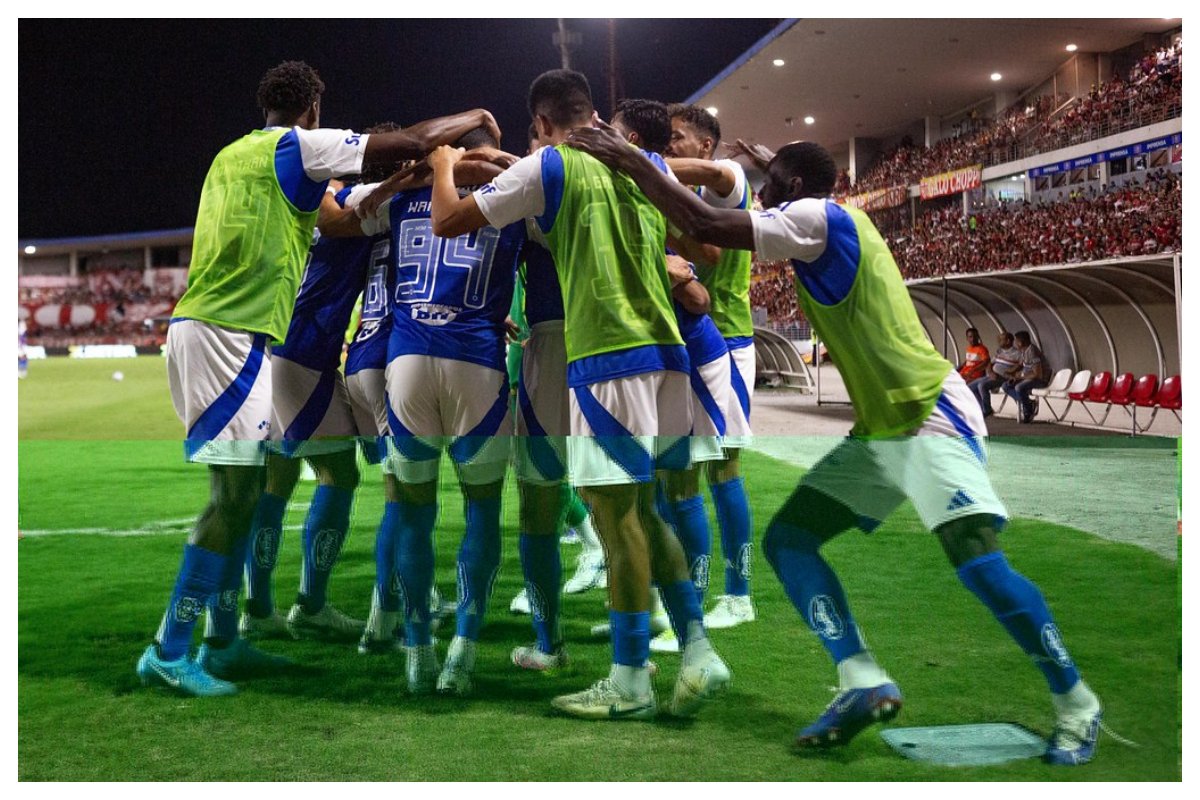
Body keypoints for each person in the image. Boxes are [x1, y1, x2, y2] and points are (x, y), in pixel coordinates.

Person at [567, 126, 1104, 764]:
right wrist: (768, 163)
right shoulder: (816, 216)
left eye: (769, 191)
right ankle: (861, 679)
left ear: (791, 189)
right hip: (882, 426)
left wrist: (630, 158)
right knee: (790, 540)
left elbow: (700, 215)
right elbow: (756, 207)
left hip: (927, 412)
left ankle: (1077, 702)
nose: (760, 203)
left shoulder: (815, 216)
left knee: (975, 558)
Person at [136, 59, 501, 697]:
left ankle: (223, 643)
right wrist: (476, 118)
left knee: (248, 496)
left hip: (237, 334)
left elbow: (340, 214)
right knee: (231, 499)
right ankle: (171, 648)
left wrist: (394, 186)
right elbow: (412, 143)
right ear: (311, 111)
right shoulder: (297, 146)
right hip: (225, 333)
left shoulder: (233, 155)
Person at [427, 69, 730, 720]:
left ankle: (597, 665)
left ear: (540, 124)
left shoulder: (550, 169)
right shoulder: (644, 162)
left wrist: (447, 162)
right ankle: (696, 648)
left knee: (576, 510)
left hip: (585, 351)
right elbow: (704, 245)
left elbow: (451, 218)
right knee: (644, 512)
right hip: (666, 353)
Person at [350, 125, 525, 696]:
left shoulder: (400, 196)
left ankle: (417, 651)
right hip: (476, 359)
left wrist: (418, 170)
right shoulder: (517, 187)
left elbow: (345, 216)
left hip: (406, 363)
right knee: (482, 511)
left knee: (413, 513)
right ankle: (464, 653)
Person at [664, 104, 757, 632]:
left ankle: (740, 593)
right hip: (689, 340)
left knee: (723, 469)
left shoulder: (728, 180)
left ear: (705, 145)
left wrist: (636, 161)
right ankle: (685, 594)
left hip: (728, 338)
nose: (671, 146)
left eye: (677, 138)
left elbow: (717, 177)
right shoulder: (686, 196)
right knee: (680, 475)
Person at [969, 331, 1021, 418]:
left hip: (1003, 378)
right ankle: (983, 407)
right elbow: (990, 363)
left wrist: (1007, 373)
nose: (998, 341)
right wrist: (990, 372)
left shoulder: (1017, 354)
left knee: (982, 385)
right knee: (970, 387)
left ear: (1008, 341)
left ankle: (987, 410)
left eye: (1001, 340)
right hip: (992, 376)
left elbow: (1020, 366)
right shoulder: (999, 351)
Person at [1003, 330, 1050, 423]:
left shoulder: (1032, 352)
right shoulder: (1024, 351)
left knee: (1019, 387)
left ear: (1021, 342)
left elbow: (1037, 374)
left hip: (1040, 380)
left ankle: (1028, 410)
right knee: (1006, 385)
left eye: (1016, 341)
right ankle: (1028, 403)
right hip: (1028, 378)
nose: (1015, 343)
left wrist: (1020, 377)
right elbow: (1021, 364)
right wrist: (1010, 372)